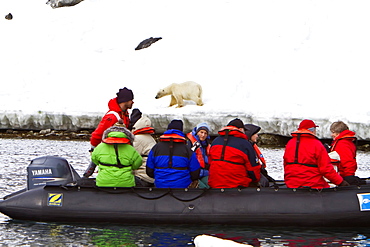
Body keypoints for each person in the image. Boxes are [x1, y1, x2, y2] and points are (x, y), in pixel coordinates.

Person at [283, 119, 349, 189]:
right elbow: (326, 169)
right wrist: (341, 182)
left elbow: (286, 165)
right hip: (313, 185)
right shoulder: (316, 144)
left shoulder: (290, 143)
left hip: (291, 184)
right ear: (313, 130)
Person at [146, 119, 201, 188]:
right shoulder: (187, 149)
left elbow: (149, 171)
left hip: (160, 186)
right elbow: (195, 173)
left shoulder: (156, 148)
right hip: (183, 187)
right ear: (181, 131)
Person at [208, 118, 261, 188]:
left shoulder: (215, 142)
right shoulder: (245, 144)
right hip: (236, 184)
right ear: (241, 130)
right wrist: (256, 181)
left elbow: (210, 162)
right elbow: (253, 169)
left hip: (214, 183)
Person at [130, 109, 156, 187]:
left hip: (141, 176)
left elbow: (130, 158)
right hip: (150, 176)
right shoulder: (150, 138)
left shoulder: (137, 139)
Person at [328, 121, 360, 185]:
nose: (332, 134)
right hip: (342, 175)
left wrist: (349, 176)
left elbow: (347, 161)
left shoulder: (342, 144)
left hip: (343, 175)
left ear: (338, 132)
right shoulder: (345, 142)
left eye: (333, 132)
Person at [186, 122, 211, 188]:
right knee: (203, 189)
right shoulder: (189, 143)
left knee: (210, 187)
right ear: (197, 132)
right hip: (193, 173)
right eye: (201, 132)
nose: (203, 135)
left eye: (205, 133)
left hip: (205, 173)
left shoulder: (207, 145)